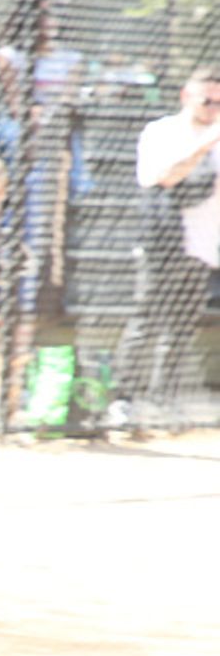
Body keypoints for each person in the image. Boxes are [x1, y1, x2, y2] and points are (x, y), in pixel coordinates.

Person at [114, 65, 220, 428]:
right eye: (207, 101)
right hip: (161, 241)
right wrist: (205, 144)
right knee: (146, 320)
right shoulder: (162, 132)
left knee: (180, 327)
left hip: (203, 244)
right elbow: (164, 177)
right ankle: (124, 400)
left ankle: (163, 401)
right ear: (187, 96)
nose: (213, 110)